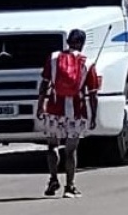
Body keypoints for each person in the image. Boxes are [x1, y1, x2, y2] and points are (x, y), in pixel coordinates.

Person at [36, 29, 100, 198]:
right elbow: (93, 93)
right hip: (76, 111)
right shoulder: (88, 62)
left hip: (54, 108)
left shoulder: (54, 58)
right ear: (82, 43)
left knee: (52, 146)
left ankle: (53, 179)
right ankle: (70, 186)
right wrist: (93, 116)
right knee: (71, 151)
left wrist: (40, 105)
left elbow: (44, 84)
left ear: (68, 41)